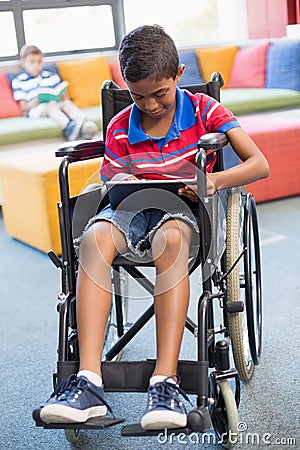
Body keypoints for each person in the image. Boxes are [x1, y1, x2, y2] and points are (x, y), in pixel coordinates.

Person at [39, 25, 269, 429]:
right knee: (93, 237)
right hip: (130, 210)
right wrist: (121, 180)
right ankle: (89, 381)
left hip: (184, 213)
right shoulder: (120, 126)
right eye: (137, 95)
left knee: (171, 240)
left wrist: (212, 180)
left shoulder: (204, 111)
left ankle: (167, 382)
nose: (150, 104)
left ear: (178, 74)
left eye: (159, 94)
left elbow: (259, 164)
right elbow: (110, 179)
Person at [11, 45, 98, 141]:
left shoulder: (51, 76)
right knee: (50, 105)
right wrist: (33, 103)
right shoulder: (19, 81)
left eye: (39, 61)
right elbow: (23, 107)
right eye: (32, 62)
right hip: (36, 109)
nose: (36, 65)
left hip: (56, 104)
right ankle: (69, 128)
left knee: (67, 104)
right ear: (23, 63)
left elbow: (62, 94)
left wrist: (62, 97)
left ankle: (85, 124)